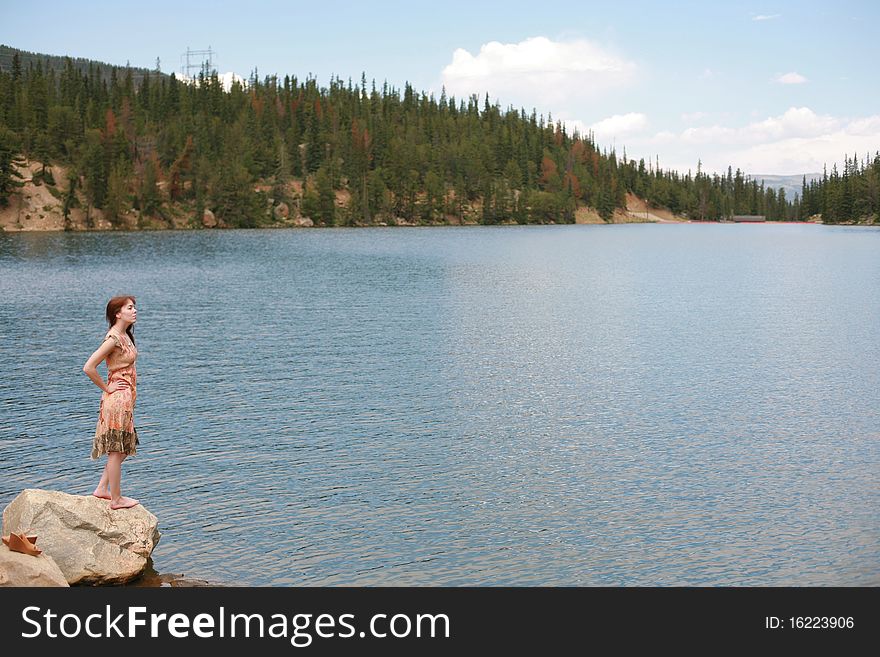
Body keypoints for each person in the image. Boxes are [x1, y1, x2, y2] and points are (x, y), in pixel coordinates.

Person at [82, 296, 140, 510]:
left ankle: (101, 488)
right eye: (130, 308)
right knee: (117, 450)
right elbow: (89, 367)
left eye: (134, 307)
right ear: (118, 313)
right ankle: (116, 499)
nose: (134, 311)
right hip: (116, 400)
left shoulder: (125, 335)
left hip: (125, 400)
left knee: (123, 449)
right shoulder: (113, 339)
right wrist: (107, 388)